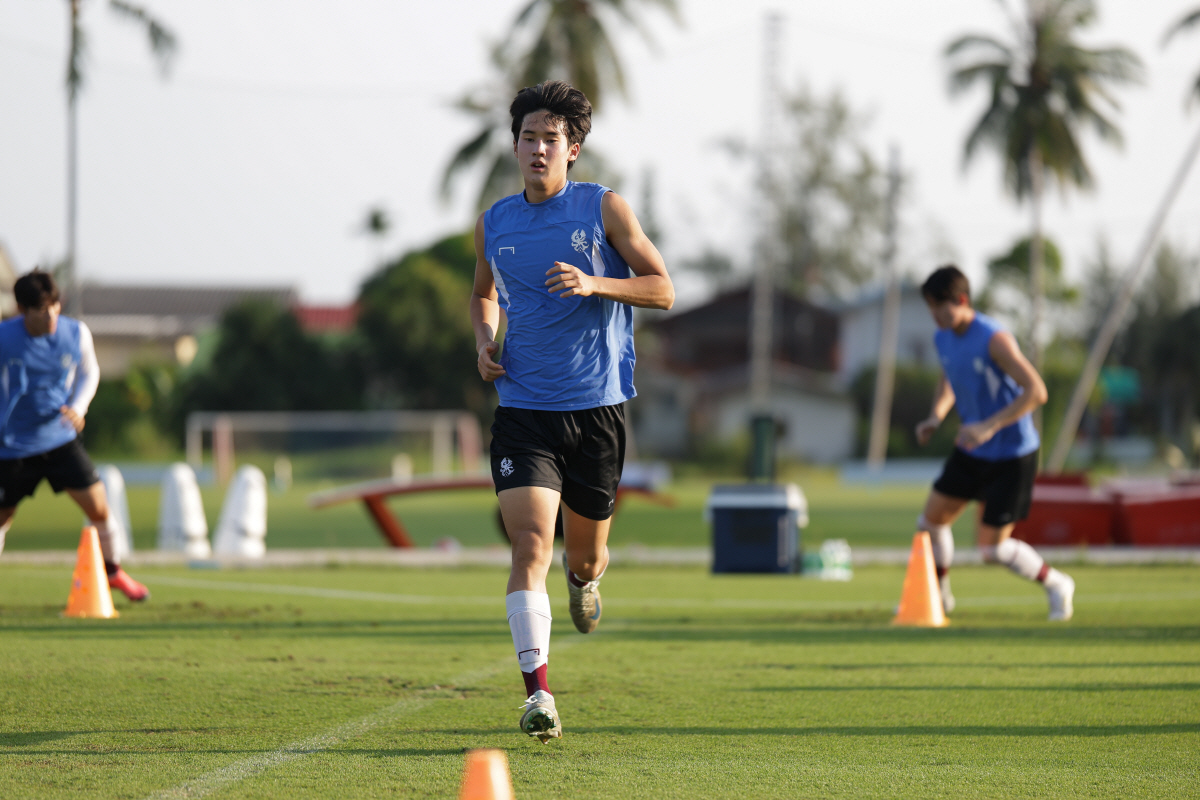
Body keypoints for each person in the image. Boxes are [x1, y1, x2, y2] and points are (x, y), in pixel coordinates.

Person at [469, 80, 673, 742]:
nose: (537, 149)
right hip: (524, 409)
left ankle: (585, 581)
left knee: (581, 559)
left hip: (598, 414)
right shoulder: (494, 221)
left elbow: (663, 288)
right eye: (527, 138)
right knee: (529, 544)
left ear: (573, 149)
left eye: (550, 140)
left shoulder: (602, 208)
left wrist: (596, 282)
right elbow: (483, 293)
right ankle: (539, 696)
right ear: (516, 145)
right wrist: (483, 339)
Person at [914, 265, 1073, 621]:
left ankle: (1058, 584)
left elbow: (1037, 391)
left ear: (963, 300)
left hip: (1012, 455)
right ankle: (938, 598)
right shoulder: (943, 338)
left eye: (941, 306)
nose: (935, 315)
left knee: (992, 551)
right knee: (930, 523)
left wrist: (989, 425)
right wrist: (935, 417)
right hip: (972, 449)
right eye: (930, 307)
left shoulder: (993, 338)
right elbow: (949, 380)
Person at [0, 270, 148, 602]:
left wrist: (78, 407)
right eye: (41, 308)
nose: (51, 314)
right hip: (11, 446)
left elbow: (90, 371)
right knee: (3, 517)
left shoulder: (75, 333)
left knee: (99, 508)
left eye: (54, 305)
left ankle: (113, 573)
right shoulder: (3, 338)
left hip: (59, 437)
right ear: (22, 310)